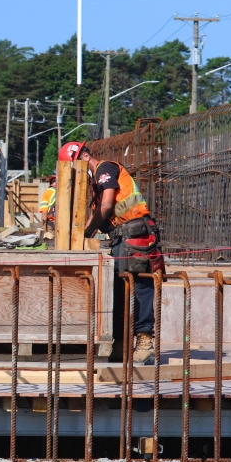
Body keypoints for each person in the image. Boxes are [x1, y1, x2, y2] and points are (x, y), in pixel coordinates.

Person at [60, 140, 163, 365]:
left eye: (75, 165)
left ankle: (145, 343)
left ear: (84, 157)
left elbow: (106, 206)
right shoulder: (95, 182)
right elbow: (99, 210)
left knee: (140, 286)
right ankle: (122, 342)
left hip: (137, 234)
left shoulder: (105, 169)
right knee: (118, 288)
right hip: (122, 237)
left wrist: (87, 232)